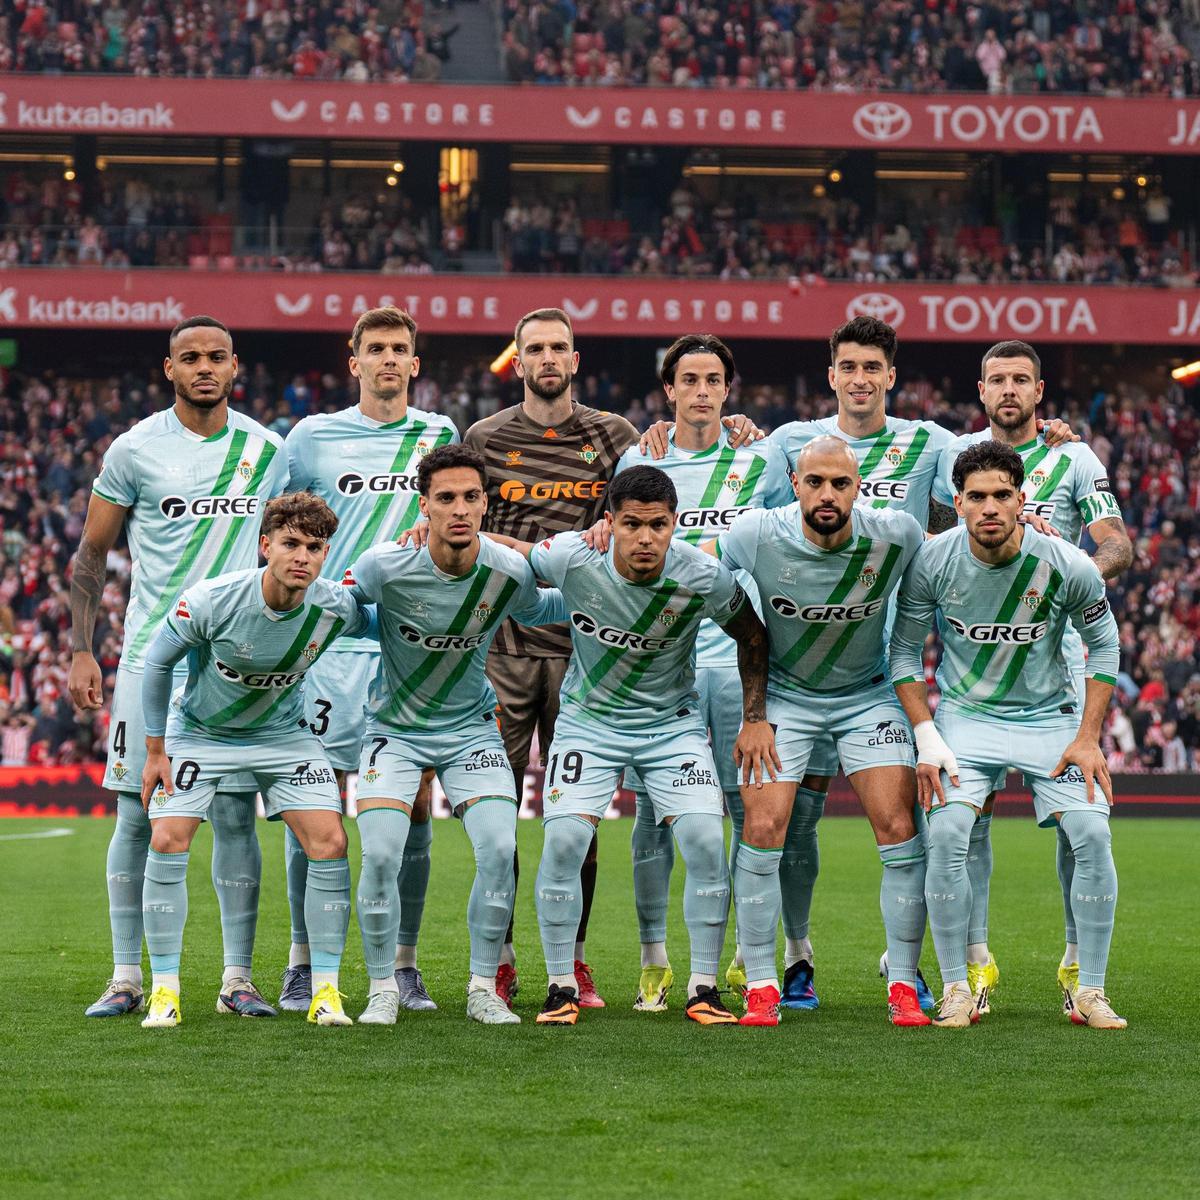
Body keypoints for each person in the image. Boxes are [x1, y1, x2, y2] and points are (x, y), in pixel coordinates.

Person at [758, 316, 1073, 1011]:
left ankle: (912, 963)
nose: (862, 378)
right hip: (804, 664)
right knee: (796, 824)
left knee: (911, 820)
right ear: (832, 374)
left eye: (874, 367)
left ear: (891, 377)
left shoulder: (929, 443)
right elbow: (749, 526)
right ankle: (797, 956)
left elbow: (997, 467)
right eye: (849, 366)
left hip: (886, 660)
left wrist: (1052, 443)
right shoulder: (789, 445)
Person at [491, 464, 774, 1027]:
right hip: (588, 725)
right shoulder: (574, 556)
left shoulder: (704, 575)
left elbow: (752, 634)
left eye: (659, 525)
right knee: (567, 840)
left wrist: (754, 717)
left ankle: (703, 987)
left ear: (676, 524)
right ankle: (559, 987)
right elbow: (512, 551)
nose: (646, 539)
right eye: (632, 525)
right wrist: (446, 533)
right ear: (610, 523)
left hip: (672, 728)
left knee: (704, 843)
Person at [68, 316, 288, 1020]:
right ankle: (127, 976)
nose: (203, 367)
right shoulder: (135, 449)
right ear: (169, 368)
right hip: (148, 660)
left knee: (232, 815)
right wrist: (80, 647)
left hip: (235, 665)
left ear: (234, 366)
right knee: (135, 817)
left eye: (215, 356)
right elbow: (90, 555)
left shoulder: (268, 450)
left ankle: (236, 979)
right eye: (189, 357)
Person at [891, 440, 1125, 1030]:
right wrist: (928, 735)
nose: (989, 507)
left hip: (1050, 719)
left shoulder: (1066, 563)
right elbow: (902, 655)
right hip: (966, 720)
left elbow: (1105, 646)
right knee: (946, 834)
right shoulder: (932, 560)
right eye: (977, 497)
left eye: (1002, 495)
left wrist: (1089, 736)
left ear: (1022, 500)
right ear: (957, 502)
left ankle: (1088, 990)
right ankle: (955, 989)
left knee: (1092, 835)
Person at [933, 340, 1132, 1015]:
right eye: (998, 379)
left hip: (1060, 663)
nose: (1010, 390)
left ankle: (1079, 960)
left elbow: (1118, 544)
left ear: (1039, 389)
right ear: (981, 389)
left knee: (1082, 827)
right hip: (975, 672)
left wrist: (1053, 571)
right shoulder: (953, 455)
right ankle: (974, 961)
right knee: (968, 822)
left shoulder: (1074, 456)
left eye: (1022, 379)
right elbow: (934, 539)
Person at [344, 444, 568, 1026]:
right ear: (425, 505)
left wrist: (613, 581)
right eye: (446, 498)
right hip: (394, 729)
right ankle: (382, 989)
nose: (460, 509)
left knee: (499, 849)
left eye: (471, 497)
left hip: (471, 730)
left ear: (485, 503)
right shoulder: (384, 565)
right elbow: (346, 608)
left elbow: (541, 608)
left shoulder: (507, 569)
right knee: (381, 855)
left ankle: (480, 988)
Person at [715, 437, 930, 1027]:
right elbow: (698, 582)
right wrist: (753, 715)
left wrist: (1032, 529)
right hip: (784, 696)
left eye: (840, 483)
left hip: (867, 696)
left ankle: (905, 983)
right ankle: (761, 982)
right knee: (762, 826)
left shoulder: (896, 534)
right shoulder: (754, 533)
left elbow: (951, 557)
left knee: (899, 828)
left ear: (859, 486)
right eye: (815, 482)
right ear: (794, 481)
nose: (827, 494)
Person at [138, 494, 369, 1029]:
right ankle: (164, 992)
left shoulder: (336, 606)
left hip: (285, 736)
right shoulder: (212, 600)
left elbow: (394, 621)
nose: (302, 557)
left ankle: (327, 993)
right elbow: (156, 662)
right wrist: (155, 750)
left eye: (314, 548)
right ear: (265, 546)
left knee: (331, 841)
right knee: (168, 836)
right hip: (201, 733)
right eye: (290, 544)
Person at [283, 306, 457, 1013]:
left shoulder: (440, 434)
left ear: (415, 364)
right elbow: (286, 530)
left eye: (400, 350)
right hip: (328, 647)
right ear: (352, 360)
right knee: (311, 805)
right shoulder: (312, 439)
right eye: (375, 348)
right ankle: (303, 962)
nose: (388, 359)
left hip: (409, 650)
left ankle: (406, 964)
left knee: (414, 809)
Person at [609, 333, 772, 1013]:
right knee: (654, 814)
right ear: (668, 390)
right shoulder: (638, 457)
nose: (702, 391)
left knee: (743, 809)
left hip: (737, 658)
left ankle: (737, 954)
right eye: (689, 379)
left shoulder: (762, 455)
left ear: (727, 391)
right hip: (660, 660)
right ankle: (653, 960)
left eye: (713, 380)